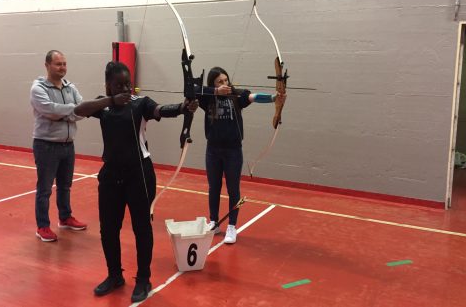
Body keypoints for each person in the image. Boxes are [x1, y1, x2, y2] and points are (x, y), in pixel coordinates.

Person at [74, 61, 198, 303]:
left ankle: (143, 279)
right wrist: (111, 100)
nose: (125, 88)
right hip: (110, 175)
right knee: (108, 229)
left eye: (128, 84)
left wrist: (184, 107)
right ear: (108, 85)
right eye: (119, 85)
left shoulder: (141, 103)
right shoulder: (103, 105)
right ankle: (114, 275)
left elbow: (161, 110)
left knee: (142, 228)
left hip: (139, 175)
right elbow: (79, 109)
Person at [195, 67, 286, 244]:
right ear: (213, 85)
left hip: (233, 151)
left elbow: (253, 97)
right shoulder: (207, 99)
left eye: (225, 80)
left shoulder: (236, 96)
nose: (224, 84)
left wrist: (274, 98)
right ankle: (214, 222)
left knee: (233, 189)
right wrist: (214, 91)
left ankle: (232, 226)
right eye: (219, 82)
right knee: (213, 187)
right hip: (213, 150)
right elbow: (192, 91)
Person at [30, 50, 87, 243]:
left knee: (65, 186)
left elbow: (83, 109)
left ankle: (65, 218)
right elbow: (50, 110)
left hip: (68, 145)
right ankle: (43, 226)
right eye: (58, 64)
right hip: (46, 146)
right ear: (47, 65)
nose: (62, 67)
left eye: (64, 63)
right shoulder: (38, 88)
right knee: (45, 188)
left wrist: (66, 112)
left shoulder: (70, 87)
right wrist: (71, 111)